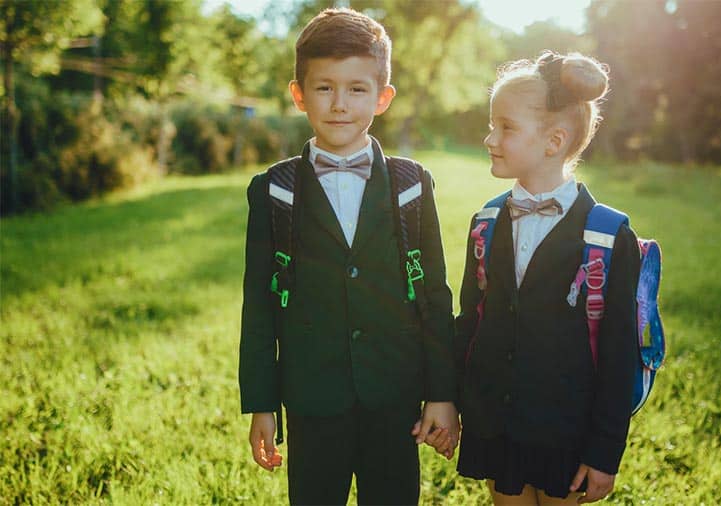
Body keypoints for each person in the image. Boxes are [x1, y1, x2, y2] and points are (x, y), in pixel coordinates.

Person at [238, 8, 458, 505]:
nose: (340, 104)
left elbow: (433, 292)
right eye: (324, 88)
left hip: (394, 394)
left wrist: (442, 393)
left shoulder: (411, 185)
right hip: (312, 397)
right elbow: (259, 303)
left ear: (382, 97)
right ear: (298, 94)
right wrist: (262, 404)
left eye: (357, 89)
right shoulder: (273, 190)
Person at [454, 51, 640, 505]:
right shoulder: (487, 222)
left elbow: (620, 355)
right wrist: (448, 400)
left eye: (506, 127)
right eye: (491, 124)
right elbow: (469, 322)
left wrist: (605, 452)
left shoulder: (609, 236)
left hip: (567, 434)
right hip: (498, 424)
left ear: (554, 141)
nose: (489, 138)